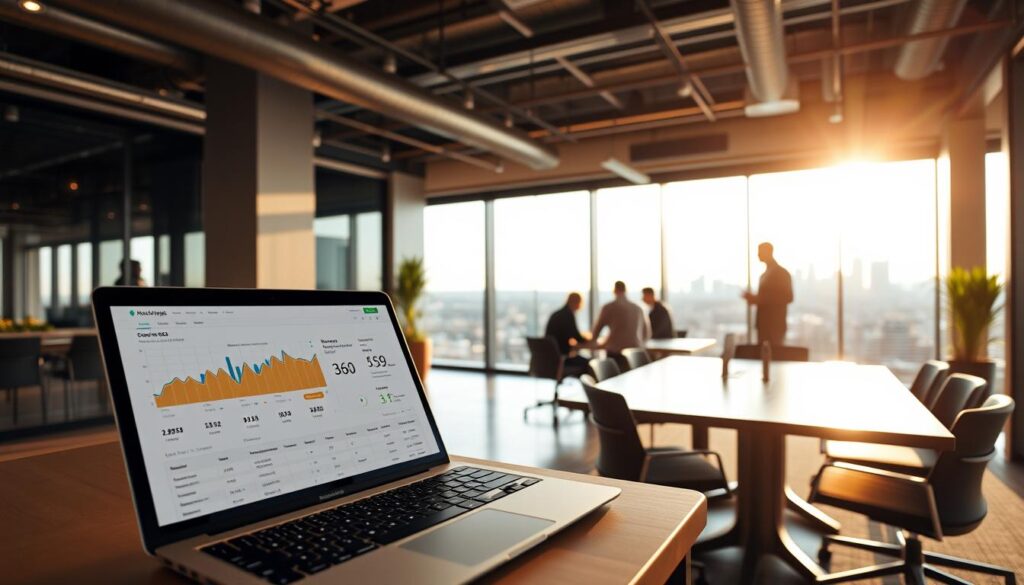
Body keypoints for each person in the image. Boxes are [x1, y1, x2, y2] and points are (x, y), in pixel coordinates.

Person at [742, 242, 793, 347]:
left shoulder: (781, 273)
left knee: (775, 357)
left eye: (760, 252)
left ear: (768, 252)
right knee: (763, 356)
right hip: (763, 325)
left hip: (775, 326)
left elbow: (788, 297)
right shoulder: (764, 275)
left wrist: (758, 299)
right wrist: (755, 299)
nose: (758, 255)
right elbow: (766, 298)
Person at [592, 281, 651, 370]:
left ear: (614, 291)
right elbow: (647, 333)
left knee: (612, 379)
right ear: (625, 290)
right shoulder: (638, 308)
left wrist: (594, 342)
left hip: (615, 352)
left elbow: (597, 330)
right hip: (635, 352)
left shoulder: (609, 307)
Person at [544, 292, 590, 373]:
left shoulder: (557, 314)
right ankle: (589, 385)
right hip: (562, 359)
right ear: (577, 303)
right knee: (590, 363)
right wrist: (589, 339)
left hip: (552, 358)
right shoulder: (568, 315)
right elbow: (577, 337)